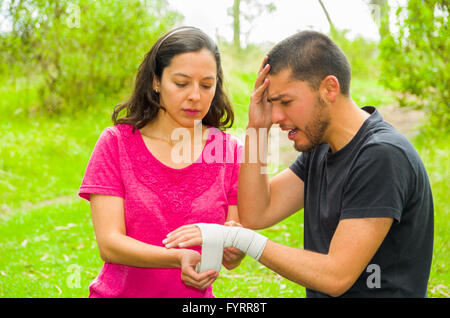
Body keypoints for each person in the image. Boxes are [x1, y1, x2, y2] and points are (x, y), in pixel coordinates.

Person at [164, 30, 434, 298]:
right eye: (272, 103)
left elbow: (335, 275)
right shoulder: (322, 148)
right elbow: (257, 213)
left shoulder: (381, 155)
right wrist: (257, 127)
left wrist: (239, 238)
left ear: (329, 88)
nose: (277, 116)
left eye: (286, 102)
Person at [78, 26, 245, 298]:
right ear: (156, 81)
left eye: (206, 85)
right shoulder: (116, 143)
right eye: (181, 83)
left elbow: (230, 260)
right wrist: (177, 257)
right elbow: (109, 244)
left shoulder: (229, 151)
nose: (195, 96)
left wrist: (235, 247)